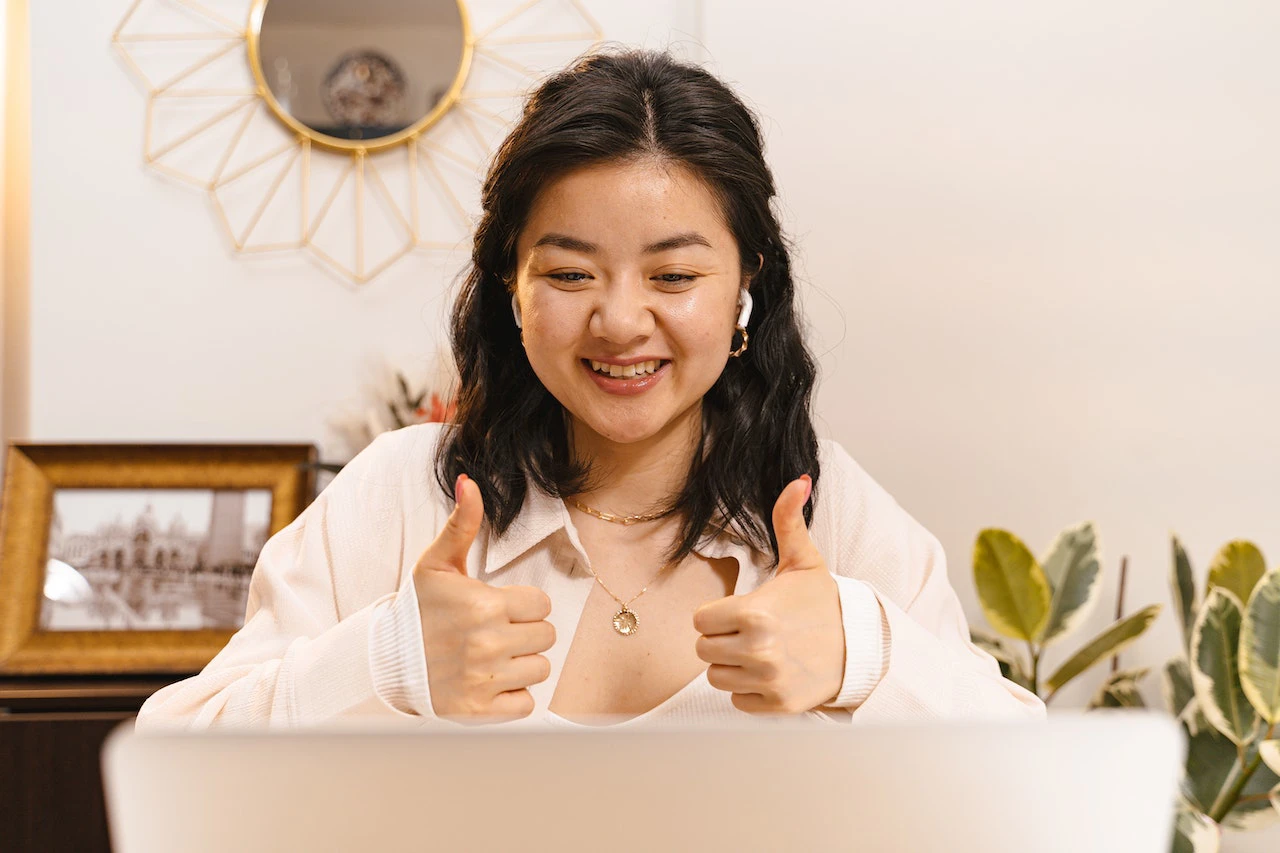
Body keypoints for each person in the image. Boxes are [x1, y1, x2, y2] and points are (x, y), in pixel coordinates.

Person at [137, 48, 1044, 730]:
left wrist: (865, 653)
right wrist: (384, 662)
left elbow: (1026, 785)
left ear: (746, 284)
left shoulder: (823, 506)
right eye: (570, 275)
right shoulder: (403, 491)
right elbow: (175, 768)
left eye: (673, 276)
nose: (618, 321)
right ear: (510, 283)